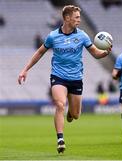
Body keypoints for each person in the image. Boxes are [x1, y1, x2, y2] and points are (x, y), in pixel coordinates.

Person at [17, 5, 112, 153]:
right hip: (58, 76)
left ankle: (71, 113)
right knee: (60, 104)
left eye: (79, 17)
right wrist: (25, 69)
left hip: (76, 78)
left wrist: (105, 53)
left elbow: (95, 52)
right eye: (76, 17)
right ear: (67, 18)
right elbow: (40, 52)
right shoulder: (53, 36)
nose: (79, 20)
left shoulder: (82, 36)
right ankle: (60, 139)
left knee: (75, 115)